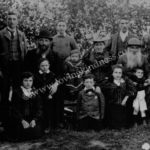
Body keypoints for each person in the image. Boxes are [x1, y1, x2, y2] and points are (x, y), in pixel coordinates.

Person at [0, 10, 27, 104]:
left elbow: (24, 50)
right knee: (4, 88)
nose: (12, 21)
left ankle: (16, 113)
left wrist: (24, 65)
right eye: (9, 19)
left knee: (17, 89)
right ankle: (4, 114)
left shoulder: (21, 34)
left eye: (14, 19)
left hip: (18, 64)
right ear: (6, 21)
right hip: (5, 65)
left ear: (17, 21)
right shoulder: (1, 34)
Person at [10, 72, 43, 140]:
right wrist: (22, 120)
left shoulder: (35, 92)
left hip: (32, 118)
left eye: (30, 81)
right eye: (26, 80)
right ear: (22, 81)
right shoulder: (17, 92)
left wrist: (34, 120)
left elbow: (39, 108)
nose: (28, 83)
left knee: (36, 132)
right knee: (18, 133)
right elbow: (14, 109)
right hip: (20, 118)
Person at [103, 64, 135, 129]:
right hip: (112, 105)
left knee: (124, 122)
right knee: (114, 124)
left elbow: (132, 89)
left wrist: (126, 98)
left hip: (124, 104)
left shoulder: (125, 81)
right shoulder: (108, 82)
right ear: (112, 73)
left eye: (120, 73)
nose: (118, 74)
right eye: (116, 72)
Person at [34, 58, 58, 132]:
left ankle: (49, 125)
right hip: (39, 95)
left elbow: (54, 84)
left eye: (46, 65)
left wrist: (51, 93)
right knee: (40, 110)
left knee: (49, 109)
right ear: (39, 66)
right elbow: (34, 85)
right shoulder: (36, 75)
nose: (44, 67)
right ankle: (41, 125)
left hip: (49, 95)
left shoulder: (52, 74)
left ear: (49, 66)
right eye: (42, 66)